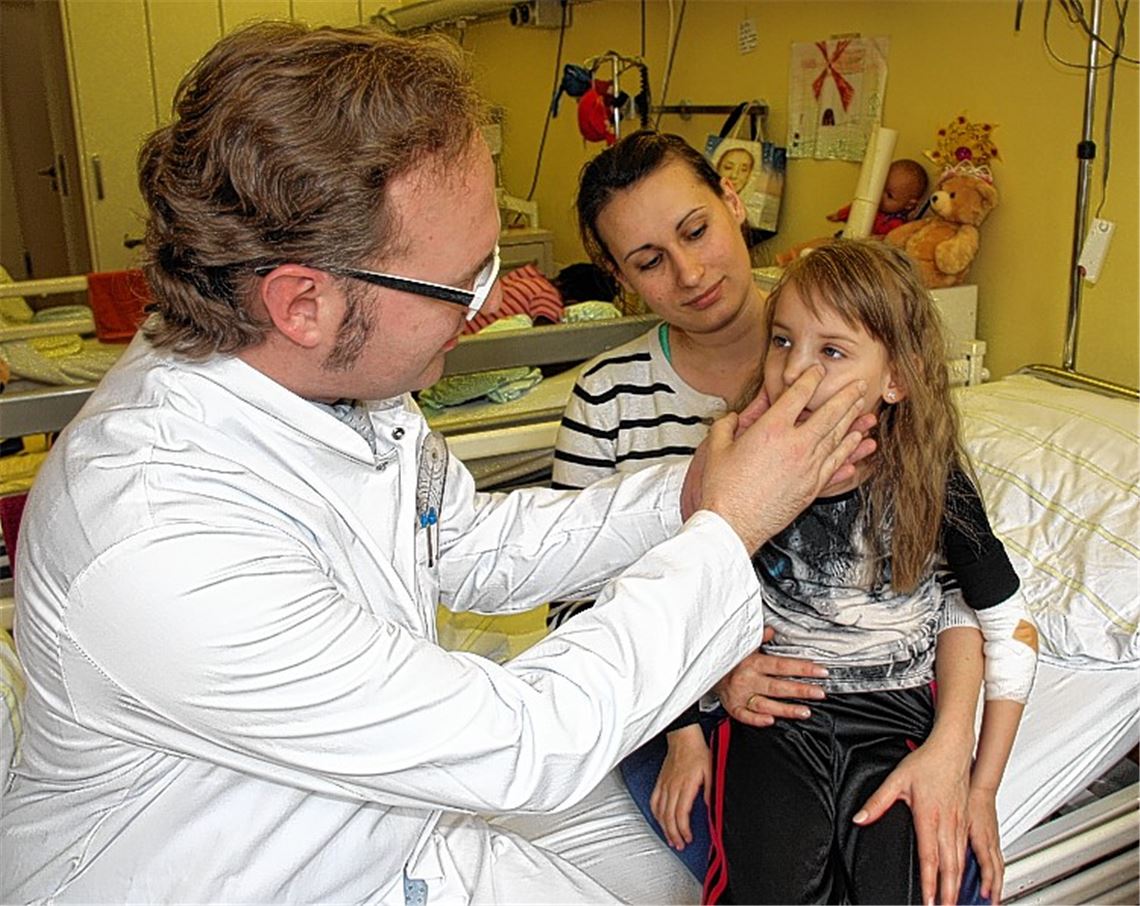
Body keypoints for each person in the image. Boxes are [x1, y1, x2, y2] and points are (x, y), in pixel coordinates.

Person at [0, 23, 875, 905]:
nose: (494, 299)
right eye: (465, 278)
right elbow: (531, 741)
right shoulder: (158, 542)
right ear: (304, 302)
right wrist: (728, 526)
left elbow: (471, 545)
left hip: (390, 822)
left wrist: (690, 490)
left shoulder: (337, 372)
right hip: (242, 875)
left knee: (679, 890)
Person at [556, 131, 996, 906]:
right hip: (676, 696)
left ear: (733, 204)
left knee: (937, 876)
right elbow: (574, 609)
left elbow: (951, 578)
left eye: (695, 230)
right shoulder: (606, 401)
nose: (689, 273)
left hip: (872, 701)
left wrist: (956, 746)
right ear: (619, 278)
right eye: (650, 260)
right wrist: (699, 701)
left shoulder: (850, 340)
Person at [700, 240, 1039, 905]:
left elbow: (1010, 633)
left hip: (893, 721)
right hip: (777, 719)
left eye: (831, 351)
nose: (795, 370)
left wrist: (981, 787)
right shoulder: (739, 467)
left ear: (897, 380)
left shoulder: (933, 484)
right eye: (782, 341)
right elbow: (686, 601)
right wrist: (700, 709)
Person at [826, 157, 929, 237]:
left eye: (889, 195)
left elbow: (890, 240)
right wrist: (839, 215)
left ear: (909, 205)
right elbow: (856, 209)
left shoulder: (897, 224)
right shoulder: (872, 206)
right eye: (880, 188)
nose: (880, 196)